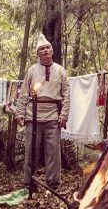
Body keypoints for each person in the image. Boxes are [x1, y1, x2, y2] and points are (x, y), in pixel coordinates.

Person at [16, 34, 70, 188]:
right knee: (31, 151)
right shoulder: (32, 70)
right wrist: (20, 113)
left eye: (48, 48)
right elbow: (24, 93)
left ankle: (53, 182)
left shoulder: (60, 71)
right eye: (42, 49)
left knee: (53, 151)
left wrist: (64, 114)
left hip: (53, 115)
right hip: (32, 115)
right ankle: (29, 182)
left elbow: (66, 94)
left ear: (52, 51)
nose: (46, 51)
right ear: (38, 53)